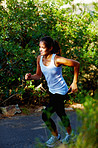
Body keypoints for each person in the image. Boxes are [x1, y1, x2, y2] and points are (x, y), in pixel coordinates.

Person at [25, 36, 80, 147]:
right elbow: (39, 75)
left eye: (43, 47)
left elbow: (76, 64)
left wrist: (74, 83)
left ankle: (55, 136)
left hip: (61, 91)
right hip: (52, 91)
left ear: (50, 48)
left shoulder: (57, 59)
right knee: (61, 113)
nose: (40, 49)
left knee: (45, 115)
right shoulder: (39, 58)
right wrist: (30, 77)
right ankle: (71, 135)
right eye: (40, 47)